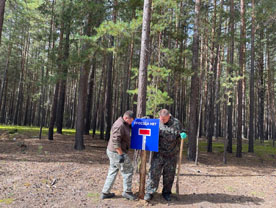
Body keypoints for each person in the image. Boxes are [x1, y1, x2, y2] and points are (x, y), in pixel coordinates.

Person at [144, 109, 186, 202]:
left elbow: (182, 131)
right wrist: (144, 119)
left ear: (169, 117)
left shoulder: (176, 123)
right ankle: (149, 192)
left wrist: (183, 134)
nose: (162, 120)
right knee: (153, 173)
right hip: (159, 153)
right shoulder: (156, 123)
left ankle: (166, 193)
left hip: (172, 154)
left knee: (169, 175)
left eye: (164, 119)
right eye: (161, 118)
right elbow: (147, 126)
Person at [101, 110, 137, 200]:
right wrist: (120, 155)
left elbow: (129, 128)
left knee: (113, 170)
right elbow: (115, 141)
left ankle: (105, 192)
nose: (131, 123)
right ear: (126, 118)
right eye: (131, 120)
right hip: (116, 152)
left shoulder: (124, 123)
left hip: (113, 152)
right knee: (128, 170)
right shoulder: (119, 125)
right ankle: (127, 192)